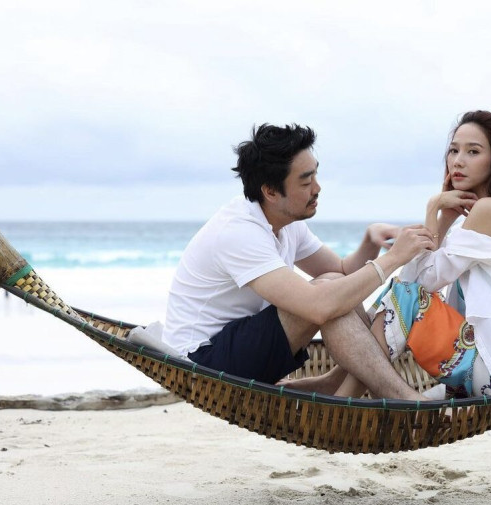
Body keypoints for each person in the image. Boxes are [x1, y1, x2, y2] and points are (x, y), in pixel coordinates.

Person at [162, 123, 436, 400]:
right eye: (305, 182)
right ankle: (401, 396)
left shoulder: (284, 221)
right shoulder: (238, 232)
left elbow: (341, 271)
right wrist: (394, 258)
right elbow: (318, 307)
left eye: (315, 175)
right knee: (326, 295)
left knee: (334, 284)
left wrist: (370, 241)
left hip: (239, 346)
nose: (317, 188)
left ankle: (334, 384)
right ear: (270, 191)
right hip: (200, 364)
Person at [335, 110, 491, 399]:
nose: (458, 161)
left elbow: (419, 283)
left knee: (405, 294)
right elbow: (417, 277)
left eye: (473, 151)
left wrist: (433, 207)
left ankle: (343, 397)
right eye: (454, 150)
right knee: (402, 292)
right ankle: (344, 388)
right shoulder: (484, 214)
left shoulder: (490, 210)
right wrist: (446, 217)